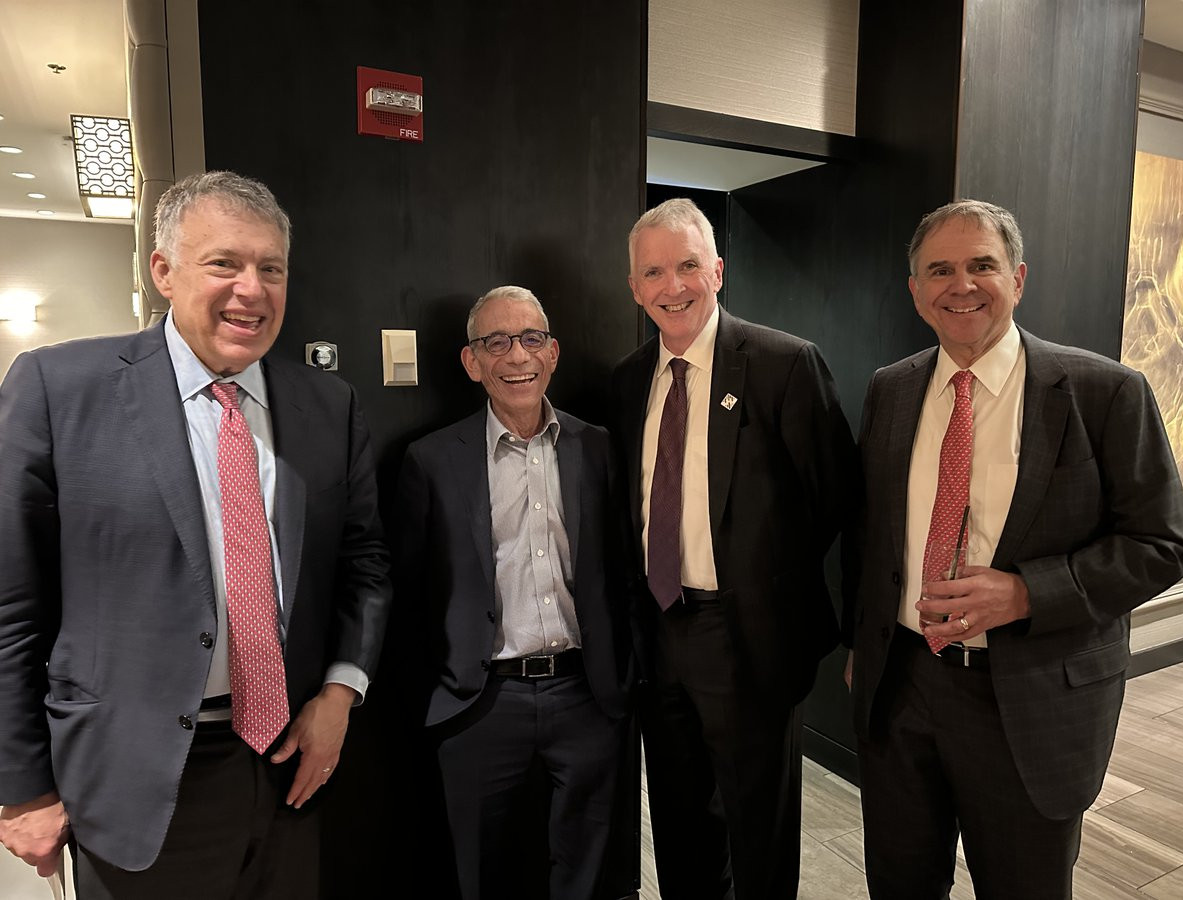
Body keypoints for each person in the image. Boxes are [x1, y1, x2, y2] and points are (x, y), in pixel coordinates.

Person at [0, 171, 392, 898]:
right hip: (137, 776)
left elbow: (363, 563)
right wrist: (22, 788)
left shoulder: (327, 404)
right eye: (224, 263)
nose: (252, 289)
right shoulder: (59, 389)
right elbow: (10, 605)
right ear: (163, 272)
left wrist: (341, 692)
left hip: (287, 765)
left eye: (271, 269)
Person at [844, 198, 1183, 899]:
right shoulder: (892, 388)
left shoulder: (1103, 392)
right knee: (899, 882)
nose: (962, 285)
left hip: (1029, 698)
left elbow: (1163, 542)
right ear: (915, 291)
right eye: (939, 270)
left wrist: (1029, 592)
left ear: (1019, 278)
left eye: (983, 265)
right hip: (904, 686)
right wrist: (862, 643)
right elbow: (870, 529)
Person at [611, 198, 858, 899]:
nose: (673, 286)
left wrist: (776, 589)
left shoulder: (785, 365)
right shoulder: (626, 381)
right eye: (654, 272)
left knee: (759, 836)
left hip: (748, 640)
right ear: (634, 288)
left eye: (688, 265)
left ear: (718, 271)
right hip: (659, 634)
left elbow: (837, 500)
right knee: (679, 822)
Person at [398, 286, 631, 900]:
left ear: (552, 352)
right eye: (496, 342)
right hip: (480, 703)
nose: (517, 356)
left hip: (586, 697)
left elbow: (623, 574)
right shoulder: (431, 461)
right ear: (472, 362)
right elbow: (410, 594)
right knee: (477, 874)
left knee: (586, 872)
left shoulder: (600, 449)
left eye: (531, 338)